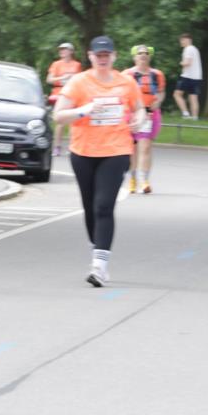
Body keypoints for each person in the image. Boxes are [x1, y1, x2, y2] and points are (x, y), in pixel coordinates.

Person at [54, 36, 145, 287]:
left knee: (104, 205)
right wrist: (84, 110)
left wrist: (139, 118)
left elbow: (139, 108)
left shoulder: (126, 82)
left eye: (107, 54)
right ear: (91, 57)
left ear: (114, 56)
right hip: (83, 152)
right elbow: (59, 115)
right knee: (90, 206)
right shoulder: (79, 82)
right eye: (98, 55)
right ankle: (98, 246)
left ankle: (99, 267)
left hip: (116, 150)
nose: (102, 58)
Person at [123, 45, 166, 194]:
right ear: (134, 57)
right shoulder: (127, 74)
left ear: (149, 56)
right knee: (131, 149)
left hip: (149, 114)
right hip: (131, 114)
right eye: (140, 53)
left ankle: (144, 180)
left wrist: (158, 101)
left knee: (145, 146)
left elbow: (161, 92)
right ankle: (133, 180)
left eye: (146, 53)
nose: (143, 55)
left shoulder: (157, 74)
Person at [46, 42, 82, 155]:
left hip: (72, 94)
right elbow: (49, 80)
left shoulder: (77, 65)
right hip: (59, 94)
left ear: (71, 51)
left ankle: (72, 147)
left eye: (65, 49)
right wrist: (62, 77)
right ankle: (57, 147)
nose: (62, 51)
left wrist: (72, 78)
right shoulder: (56, 64)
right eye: (61, 50)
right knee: (60, 122)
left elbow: (80, 79)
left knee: (73, 121)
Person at [173, 33, 202, 119]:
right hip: (197, 77)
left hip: (187, 76)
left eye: (182, 40)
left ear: (188, 40)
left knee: (177, 94)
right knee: (193, 97)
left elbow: (187, 63)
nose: (181, 42)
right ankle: (195, 117)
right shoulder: (195, 49)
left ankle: (185, 114)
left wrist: (181, 63)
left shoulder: (188, 49)